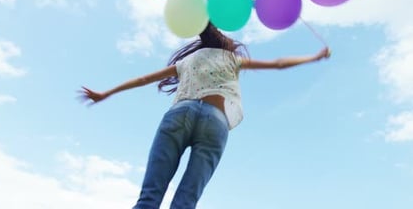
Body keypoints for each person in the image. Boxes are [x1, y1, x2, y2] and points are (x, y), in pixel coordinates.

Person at [79, 22, 330, 209]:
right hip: (215, 121)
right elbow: (279, 63)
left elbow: (143, 79)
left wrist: (106, 93)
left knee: (149, 196)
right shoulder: (233, 59)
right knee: (186, 200)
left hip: (179, 115)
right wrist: (314, 57)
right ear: (224, 43)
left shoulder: (187, 60)